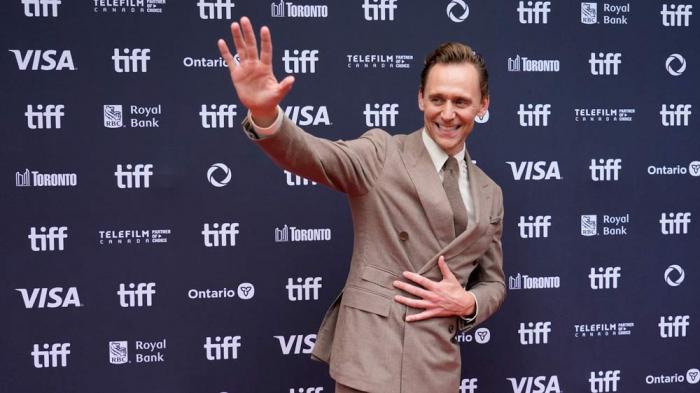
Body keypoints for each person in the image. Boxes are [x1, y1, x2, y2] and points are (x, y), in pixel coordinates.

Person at [218, 17, 505, 393]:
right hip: (371, 362)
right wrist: (267, 116)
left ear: (482, 105)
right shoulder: (383, 153)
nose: (447, 113)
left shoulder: (490, 193)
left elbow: (494, 282)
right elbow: (312, 156)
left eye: (461, 102)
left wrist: (468, 302)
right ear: (421, 98)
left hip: (437, 369)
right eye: (437, 99)